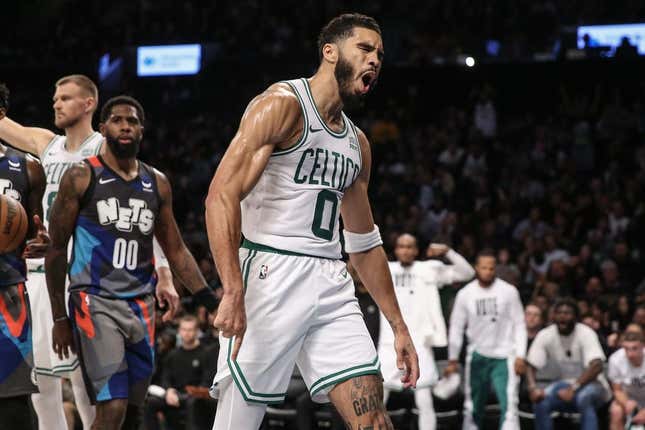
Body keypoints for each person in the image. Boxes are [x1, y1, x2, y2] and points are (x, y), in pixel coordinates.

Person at [205, 13, 419, 430]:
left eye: (379, 53)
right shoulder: (282, 106)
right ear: (330, 52)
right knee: (237, 423)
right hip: (270, 273)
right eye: (365, 48)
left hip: (331, 282)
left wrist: (399, 325)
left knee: (374, 418)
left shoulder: (357, 144)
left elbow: (364, 242)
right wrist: (232, 288)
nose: (375, 59)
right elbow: (221, 195)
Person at [0, 75, 178, 430]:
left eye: (65, 98)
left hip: (86, 278)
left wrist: (165, 272)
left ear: (88, 105)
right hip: (41, 275)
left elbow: (143, 214)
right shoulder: (46, 144)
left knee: (87, 383)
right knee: (43, 385)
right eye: (55, 97)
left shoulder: (103, 149)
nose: (56, 103)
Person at [45, 95, 218, 429]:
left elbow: (177, 249)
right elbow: (55, 249)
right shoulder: (81, 177)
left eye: (133, 121)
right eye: (118, 120)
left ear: (142, 130)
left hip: (140, 304)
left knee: (134, 412)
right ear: (103, 127)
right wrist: (59, 317)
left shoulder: (157, 182)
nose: (126, 126)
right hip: (93, 299)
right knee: (113, 406)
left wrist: (209, 300)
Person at [380, 234, 474, 430]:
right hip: (389, 342)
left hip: (420, 343)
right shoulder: (385, 268)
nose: (405, 250)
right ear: (396, 250)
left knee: (424, 400)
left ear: (416, 250)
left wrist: (447, 251)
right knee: (378, 401)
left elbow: (467, 273)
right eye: (401, 246)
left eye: (410, 247)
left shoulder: (428, 269)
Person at [0, 82, 49, 429]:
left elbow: (36, 231)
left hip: (9, 292)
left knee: (14, 401)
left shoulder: (27, 167)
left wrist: (42, 241)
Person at [445, 249, 527, 429]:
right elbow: (456, 327)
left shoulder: (509, 291)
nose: (488, 272)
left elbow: (520, 324)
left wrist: (521, 355)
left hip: (506, 355)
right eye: (484, 268)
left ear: (495, 269)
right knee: (473, 405)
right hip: (477, 354)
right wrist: (452, 358)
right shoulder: (465, 294)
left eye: (491, 268)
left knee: (510, 404)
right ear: (476, 268)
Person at [526, 297, 611, 430]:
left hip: (594, 386)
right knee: (541, 401)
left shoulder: (586, 333)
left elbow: (597, 366)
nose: (562, 317)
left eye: (567, 313)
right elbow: (531, 365)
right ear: (554, 316)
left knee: (584, 397)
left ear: (575, 317)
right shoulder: (546, 334)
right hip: (563, 385)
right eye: (559, 313)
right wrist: (532, 388)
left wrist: (574, 388)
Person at [145, 314, 216, 430]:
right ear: (179, 331)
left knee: (193, 403)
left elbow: (207, 382)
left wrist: (186, 396)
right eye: (184, 329)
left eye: (190, 330)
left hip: (196, 396)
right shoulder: (172, 355)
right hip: (175, 394)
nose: (187, 333)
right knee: (151, 403)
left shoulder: (206, 353)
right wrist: (169, 391)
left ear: (197, 331)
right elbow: (165, 378)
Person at [608, 330, 645, 430]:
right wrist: (627, 403)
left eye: (634, 348)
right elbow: (617, 390)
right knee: (616, 411)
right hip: (629, 398)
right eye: (626, 349)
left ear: (643, 346)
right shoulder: (615, 359)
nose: (630, 354)